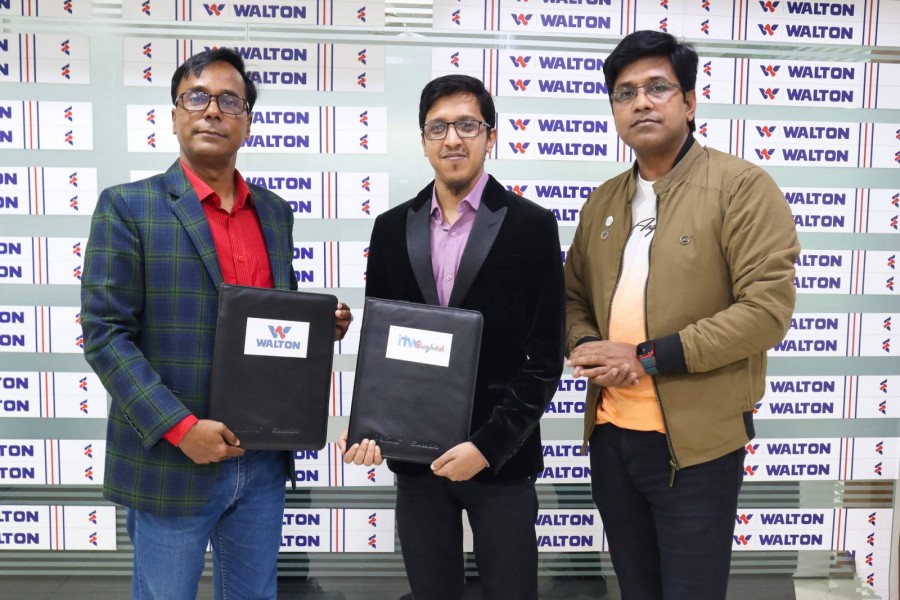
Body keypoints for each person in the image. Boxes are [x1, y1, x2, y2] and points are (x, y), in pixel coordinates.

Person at [80, 48, 352, 600]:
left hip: (263, 462)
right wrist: (182, 429)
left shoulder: (274, 214)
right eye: (196, 97)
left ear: (247, 120)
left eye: (230, 101)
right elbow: (106, 334)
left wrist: (317, 327)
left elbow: (270, 321)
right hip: (173, 461)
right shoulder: (129, 208)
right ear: (175, 113)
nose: (212, 111)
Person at [564, 31, 800, 600]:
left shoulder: (741, 187)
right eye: (625, 93)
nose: (641, 102)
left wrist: (645, 358)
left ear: (689, 102)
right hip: (613, 440)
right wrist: (588, 346)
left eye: (657, 88)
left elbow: (765, 311)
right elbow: (572, 294)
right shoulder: (603, 200)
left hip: (695, 448)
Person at [338, 74, 565, 600]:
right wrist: (372, 428)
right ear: (423, 141)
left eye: (466, 124)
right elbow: (383, 346)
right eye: (438, 127)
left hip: (499, 460)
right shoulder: (393, 228)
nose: (452, 139)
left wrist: (486, 448)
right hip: (417, 464)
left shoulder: (531, 226)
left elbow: (544, 358)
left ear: (491, 135)